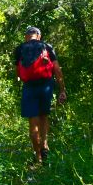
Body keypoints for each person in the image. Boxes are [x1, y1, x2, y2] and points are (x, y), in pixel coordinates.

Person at [13, 26, 66, 163]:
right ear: (39, 36)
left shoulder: (19, 49)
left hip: (29, 87)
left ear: (26, 36)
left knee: (33, 122)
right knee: (44, 116)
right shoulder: (47, 47)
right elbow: (57, 70)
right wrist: (62, 89)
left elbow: (18, 73)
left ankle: (38, 157)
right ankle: (45, 145)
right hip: (46, 85)